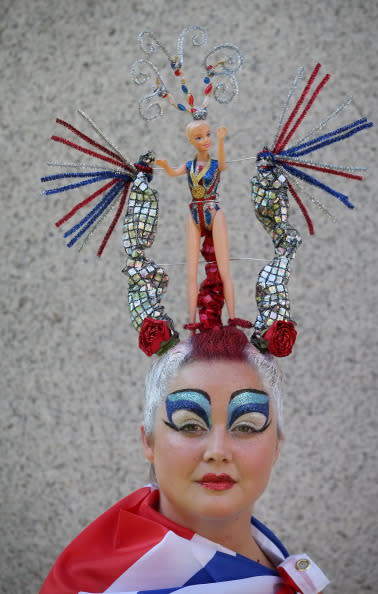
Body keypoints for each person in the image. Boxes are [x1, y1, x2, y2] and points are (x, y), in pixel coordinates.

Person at [39, 326, 328, 593]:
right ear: (149, 441)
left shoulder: (267, 548)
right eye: (190, 425)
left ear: (277, 445)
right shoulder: (103, 585)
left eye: (245, 426)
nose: (218, 451)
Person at [156, 121, 236, 327]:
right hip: (194, 212)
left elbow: (224, 164)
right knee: (191, 272)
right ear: (190, 141)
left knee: (224, 269)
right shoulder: (190, 166)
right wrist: (164, 165)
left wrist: (220, 140)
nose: (205, 140)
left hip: (213, 211)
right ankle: (192, 323)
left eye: (207, 134)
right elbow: (174, 172)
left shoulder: (215, 163)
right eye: (199, 137)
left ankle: (233, 318)